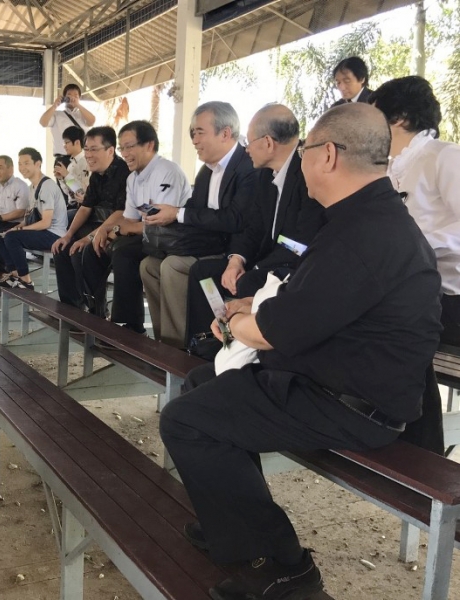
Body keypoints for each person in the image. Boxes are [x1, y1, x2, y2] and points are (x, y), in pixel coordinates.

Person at [160, 103, 441, 600]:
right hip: (336, 381)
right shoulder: (366, 217)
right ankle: (232, 521)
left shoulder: (365, 233)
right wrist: (252, 305)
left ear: (327, 155)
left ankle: (286, 567)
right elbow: (315, 298)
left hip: (351, 403)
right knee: (204, 384)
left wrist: (235, 321)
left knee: (185, 420)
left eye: (307, 149)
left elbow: (273, 332)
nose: (302, 161)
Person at [185, 104, 324, 350]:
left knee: (249, 281)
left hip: (297, 266)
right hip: (265, 260)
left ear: (268, 143)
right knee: (203, 272)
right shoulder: (265, 176)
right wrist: (236, 260)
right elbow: (253, 227)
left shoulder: (307, 173)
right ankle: (204, 346)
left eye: (249, 142)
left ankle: (240, 351)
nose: (246, 149)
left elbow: (298, 243)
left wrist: (256, 267)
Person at [370, 75, 460, 454]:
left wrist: (414, 250)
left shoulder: (443, 156)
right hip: (413, 294)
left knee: (394, 323)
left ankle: (421, 455)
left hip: (449, 298)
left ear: (401, 118)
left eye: (375, 118)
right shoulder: (389, 169)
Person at [140, 102, 258, 348]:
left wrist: (178, 213)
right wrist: (167, 215)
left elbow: (235, 218)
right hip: (203, 245)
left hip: (233, 251)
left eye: (199, 132)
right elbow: (193, 210)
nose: (194, 140)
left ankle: (177, 346)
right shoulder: (206, 172)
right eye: (192, 133)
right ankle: (162, 340)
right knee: (148, 266)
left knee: (172, 266)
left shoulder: (248, 167)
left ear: (225, 133)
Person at [106, 120, 190, 334]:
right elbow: (129, 219)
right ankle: (92, 311)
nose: (125, 154)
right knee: (97, 249)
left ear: (149, 145)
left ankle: (128, 325)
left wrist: (122, 230)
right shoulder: (133, 179)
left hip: (172, 239)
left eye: (129, 147)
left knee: (124, 252)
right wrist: (111, 232)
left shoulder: (167, 171)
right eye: (122, 148)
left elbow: (161, 220)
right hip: (150, 236)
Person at [51, 126, 130, 313]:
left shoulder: (124, 172)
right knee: (62, 248)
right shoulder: (93, 172)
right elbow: (86, 206)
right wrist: (68, 235)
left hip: (116, 228)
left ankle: (96, 311)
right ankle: (71, 308)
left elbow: (120, 213)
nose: (88, 154)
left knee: (81, 251)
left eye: (93, 149)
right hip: (94, 222)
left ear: (110, 150)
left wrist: (88, 238)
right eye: (87, 149)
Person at [0, 147, 68, 290]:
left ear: (37, 164)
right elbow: (29, 218)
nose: (22, 167)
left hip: (54, 234)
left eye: (26, 163)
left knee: (12, 238)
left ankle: (26, 281)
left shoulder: (47, 186)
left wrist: (19, 230)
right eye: (20, 164)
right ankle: (14, 274)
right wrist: (14, 228)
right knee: (0, 236)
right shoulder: (31, 188)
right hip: (43, 231)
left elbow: (46, 223)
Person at [0, 155, 30, 275]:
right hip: (0, 222)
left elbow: (21, 211)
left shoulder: (20, 185)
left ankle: (11, 270)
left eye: (0, 167)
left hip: (17, 223)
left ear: (11, 169)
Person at [39, 83, 96, 156]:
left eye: (76, 96)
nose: (72, 98)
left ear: (79, 98)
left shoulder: (82, 114)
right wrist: (55, 105)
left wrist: (78, 105)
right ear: (64, 97)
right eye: (69, 95)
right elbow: (43, 122)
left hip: (82, 156)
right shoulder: (57, 115)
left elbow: (92, 121)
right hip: (63, 157)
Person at [62, 125, 90, 208]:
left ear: (77, 142)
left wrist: (66, 175)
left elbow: (80, 192)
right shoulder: (70, 165)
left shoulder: (87, 162)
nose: (64, 146)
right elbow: (67, 192)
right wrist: (61, 178)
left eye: (67, 142)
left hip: (82, 206)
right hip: (71, 205)